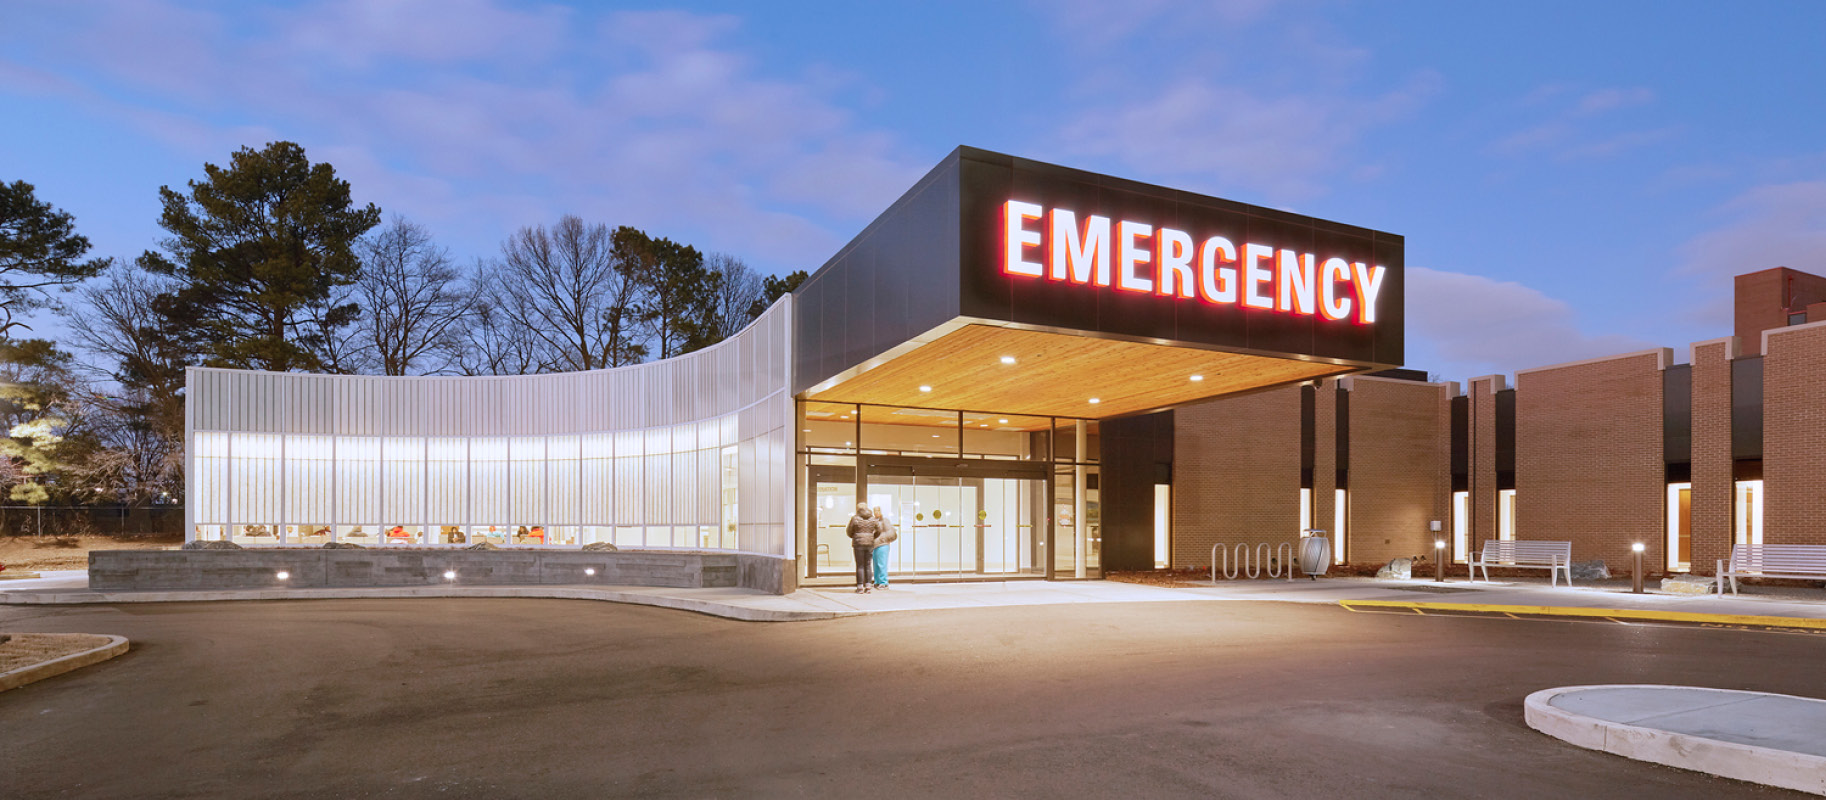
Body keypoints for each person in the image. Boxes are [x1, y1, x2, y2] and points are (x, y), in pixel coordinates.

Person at [845, 503, 878, 593]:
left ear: (858, 509)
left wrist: (855, 536)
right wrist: (871, 537)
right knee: (868, 564)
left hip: (858, 543)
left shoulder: (855, 518)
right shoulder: (872, 518)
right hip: (870, 543)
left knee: (860, 565)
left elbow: (849, 531)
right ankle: (868, 586)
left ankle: (860, 587)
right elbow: (878, 530)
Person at [871, 506, 896, 590]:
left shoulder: (885, 520)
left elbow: (890, 532)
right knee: (876, 565)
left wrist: (883, 539)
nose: (876, 512)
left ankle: (884, 582)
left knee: (882, 564)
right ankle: (877, 581)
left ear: (880, 511)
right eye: (875, 510)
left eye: (878, 510)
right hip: (875, 545)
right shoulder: (874, 521)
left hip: (882, 545)